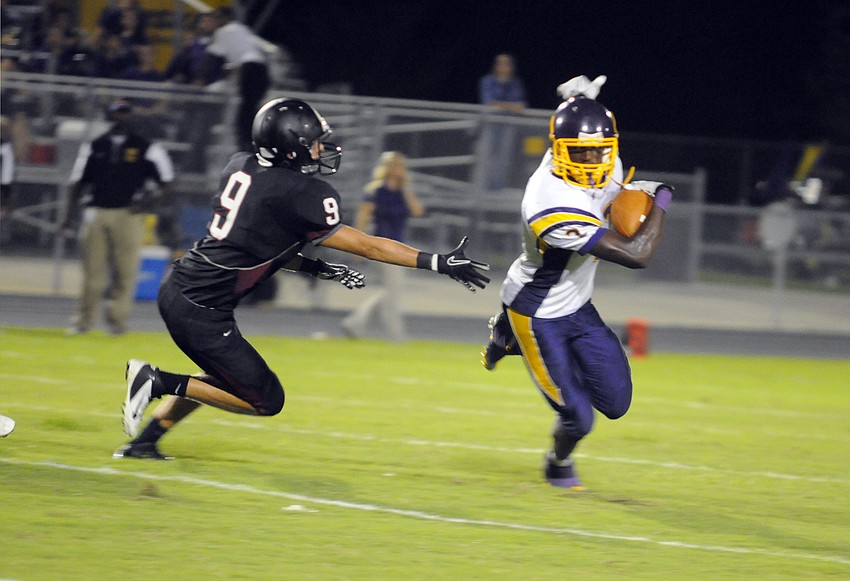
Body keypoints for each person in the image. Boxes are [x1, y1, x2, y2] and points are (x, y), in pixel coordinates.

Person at [114, 97, 490, 459]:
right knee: (265, 399)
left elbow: (262, 243)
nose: (319, 150)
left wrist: (317, 267)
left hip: (184, 287)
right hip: (202, 308)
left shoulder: (241, 165)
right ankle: (158, 381)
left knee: (223, 376)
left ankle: (145, 441)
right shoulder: (300, 191)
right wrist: (436, 261)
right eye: (312, 144)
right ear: (289, 149)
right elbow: (365, 245)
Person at [480, 76, 673, 490]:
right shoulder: (548, 200)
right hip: (536, 310)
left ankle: (505, 336)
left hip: (578, 305)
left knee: (617, 403)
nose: (590, 160)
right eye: (578, 151)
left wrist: (578, 96)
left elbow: (580, 109)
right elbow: (637, 255)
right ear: (556, 150)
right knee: (579, 417)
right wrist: (662, 199)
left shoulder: (607, 162)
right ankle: (556, 463)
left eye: (597, 150)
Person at [61, 99, 175, 335]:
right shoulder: (95, 146)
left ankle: (117, 321)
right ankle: (83, 320)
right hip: (97, 211)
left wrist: (148, 203)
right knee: (93, 272)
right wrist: (67, 215)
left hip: (128, 215)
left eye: (123, 113)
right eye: (116, 113)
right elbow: (78, 182)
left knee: (125, 271)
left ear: (130, 116)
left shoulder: (145, 147)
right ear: (109, 116)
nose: (119, 117)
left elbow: (168, 180)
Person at [341, 151, 425, 340]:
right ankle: (396, 335)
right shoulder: (376, 190)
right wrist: (356, 245)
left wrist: (406, 189)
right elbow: (363, 217)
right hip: (380, 246)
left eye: (400, 166)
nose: (397, 169)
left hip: (399, 246)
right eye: (393, 165)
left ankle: (354, 323)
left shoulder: (403, 192)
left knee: (390, 292)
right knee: (395, 292)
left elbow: (417, 211)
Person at [201, 6, 270, 151]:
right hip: (262, 69)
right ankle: (252, 140)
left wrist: (200, 78)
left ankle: (245, 144)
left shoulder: (223, 31)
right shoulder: (241, 29)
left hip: (250, 69)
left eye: (217, 18)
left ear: (225, 18)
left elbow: (211, 58)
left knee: (245, 111)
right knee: (250, 108)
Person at [478, 53, 526, 191]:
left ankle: (497, 189)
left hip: (507, 125)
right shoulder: (487, 81)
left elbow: (520, 106)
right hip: (490, 126)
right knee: (487, 156)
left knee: (504, 158)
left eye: (507, 64)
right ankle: (485, 189)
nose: (504, 67)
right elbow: (490, 103)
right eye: (501, 64)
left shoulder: (515, 83)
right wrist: (509, 106)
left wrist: (503, 106)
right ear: (495, 66)